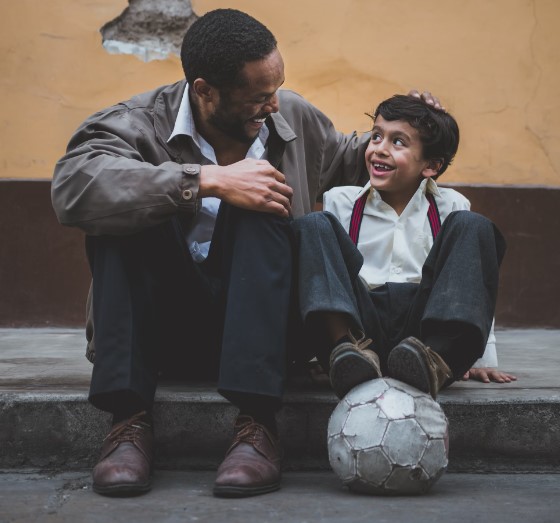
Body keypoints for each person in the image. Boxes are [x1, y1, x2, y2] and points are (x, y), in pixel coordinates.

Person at [51, 9, 441, 498]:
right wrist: (205, 179)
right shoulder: (137, 124)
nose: (273, 104)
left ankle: (257, 425)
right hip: (158, 331)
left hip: (266, 333)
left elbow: (349, 159)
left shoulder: (289, 114)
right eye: (258, 97)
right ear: (205, 90)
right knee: (124, 210)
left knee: (265, 199)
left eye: (277, 88)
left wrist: (414, 133)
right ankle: (127, 422)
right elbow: (73, 187)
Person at [292, 94, 516, 402]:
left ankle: (435, 361)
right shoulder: (341, 201)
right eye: (376, 136)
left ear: (431, 166)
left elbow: (471, 280)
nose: (379, 148)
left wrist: (481, 358)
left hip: (422, 334)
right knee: (313, 224)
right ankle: (344, 353)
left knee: (474, 225)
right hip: (360, 327)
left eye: (398, 142)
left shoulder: (451, 206)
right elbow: (327, 277)